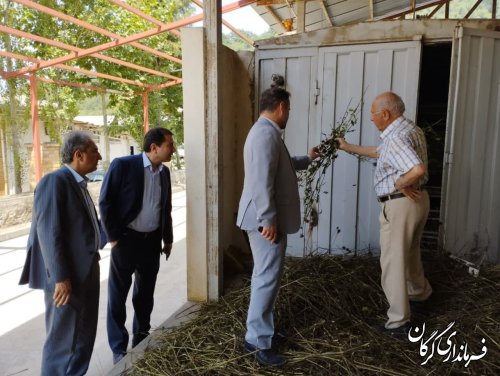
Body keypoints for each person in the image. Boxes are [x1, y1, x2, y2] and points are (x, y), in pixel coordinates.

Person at [335, 91, 432, 334]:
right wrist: (348, 147)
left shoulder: (396, 137)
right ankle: (421, 295)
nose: (371, 118)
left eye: (373, 114)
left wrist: (401, 183)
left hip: (400, 203)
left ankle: (399, 320)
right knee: (410, 254)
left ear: (385, 114)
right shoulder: (409, 129)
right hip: (418, 202)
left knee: (392, 261)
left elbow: (417, 169)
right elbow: (382, 153)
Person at [237, 86, 319, 367]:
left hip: (263, 218)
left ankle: (261, 333)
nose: (289, 115)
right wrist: (268, 219)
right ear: (281, 106)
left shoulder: (266, 132)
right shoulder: (264, 133)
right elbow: (261, 180)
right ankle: (256, 341)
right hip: (263, 222)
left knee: (266, 276)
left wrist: (307, 159)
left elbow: (279, 166)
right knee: (266, 277)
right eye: (290, 110)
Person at [19, 131, 103, 375]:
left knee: (84, 336)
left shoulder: (78, 183)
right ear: (79, 154)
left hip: (87, 269)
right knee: (63, 342)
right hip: (68, 278)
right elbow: (49, 234)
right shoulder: (55, 181)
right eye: (94, 151)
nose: (99, 156)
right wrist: (60, 278)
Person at [99, 127, 175, 364]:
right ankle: (118, 348)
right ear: (154, 148)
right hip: (126, 240)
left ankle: (141, 339)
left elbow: (166, 208)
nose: (172, 148)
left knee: (145, 294)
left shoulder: (164, 172)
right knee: (118, 295)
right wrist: (112, 237)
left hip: (151, 242)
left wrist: (168, 238)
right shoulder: (123, 165)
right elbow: (105, 201)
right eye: (169, 145)